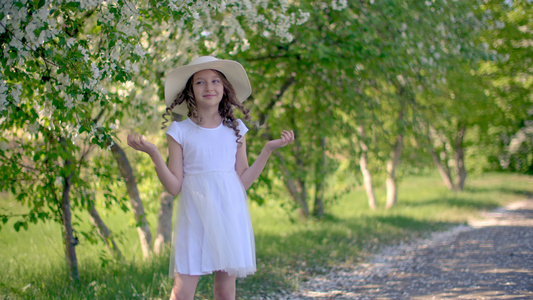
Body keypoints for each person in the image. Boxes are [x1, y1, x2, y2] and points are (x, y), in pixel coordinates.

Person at [127, 56, 294, 300]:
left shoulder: (236, 129)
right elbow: (174, 187)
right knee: (182, 292)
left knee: (225, 292)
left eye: (215, 81)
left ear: (224, 88)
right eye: (200, 82)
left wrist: (267, 150)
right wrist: (154, 154)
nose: (209, 87)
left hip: (229, 215)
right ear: (190, 92)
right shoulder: (179, 131)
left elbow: (242, 182)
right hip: (194, 216)